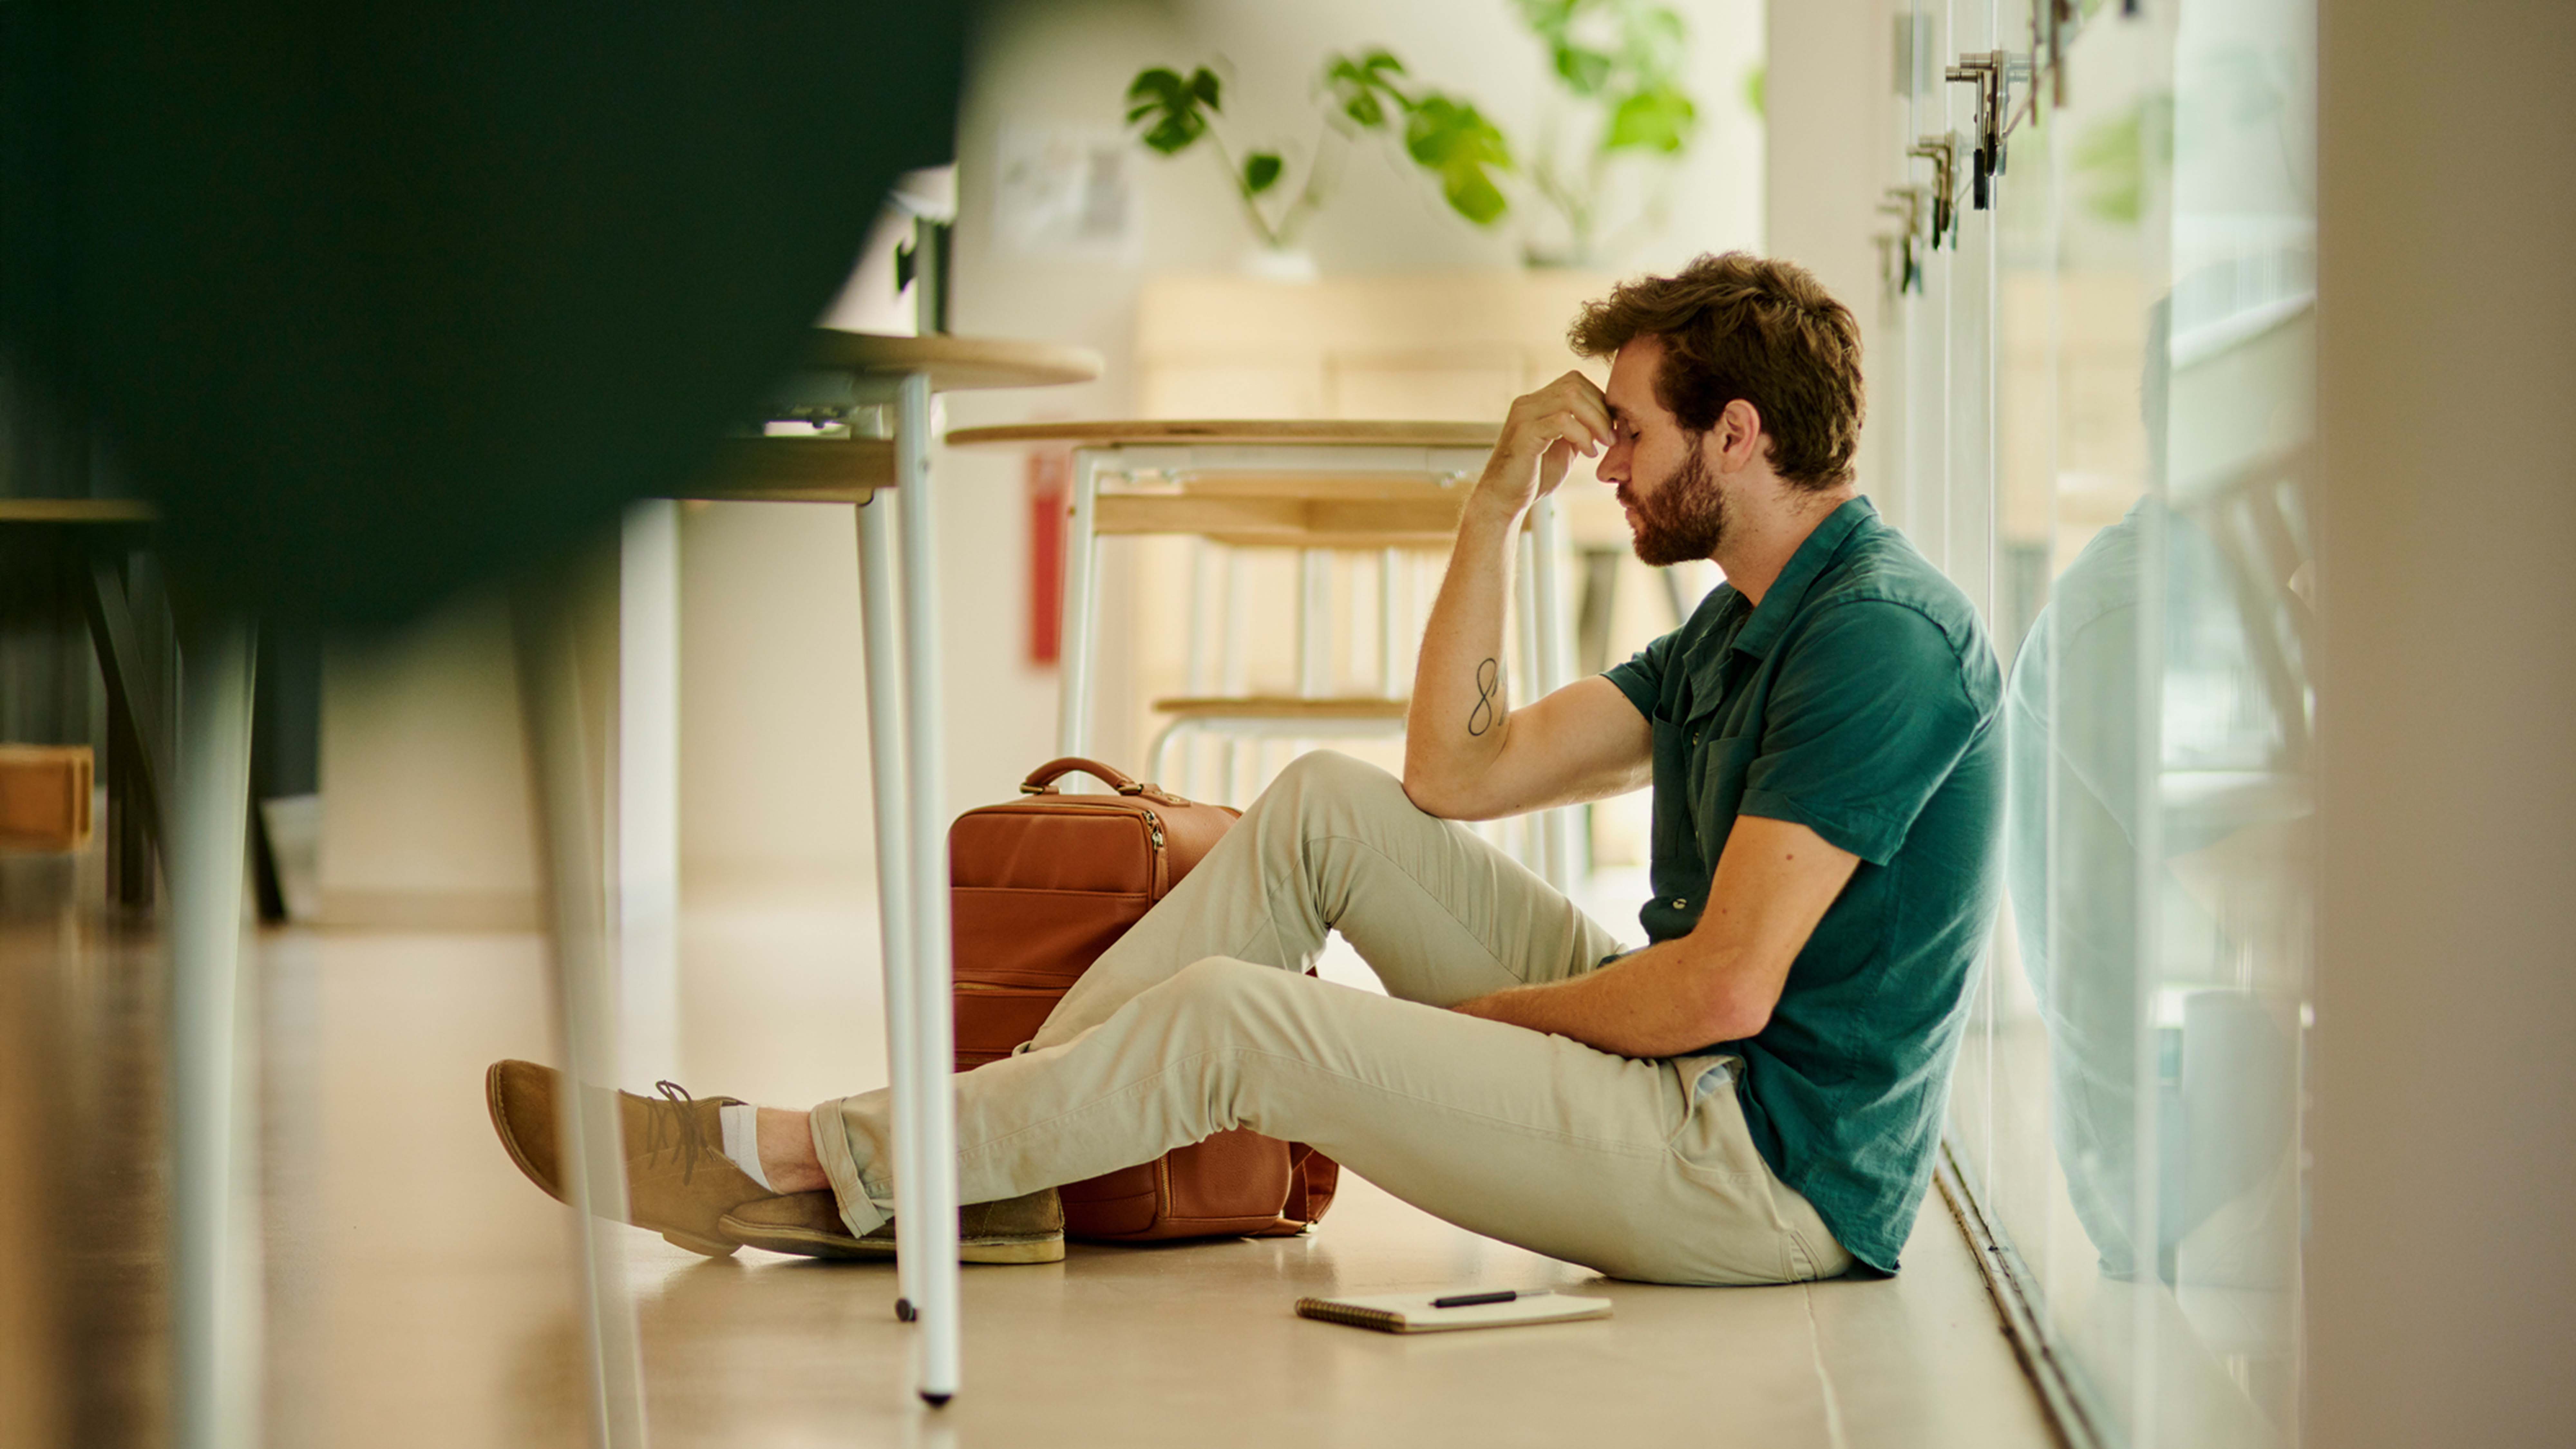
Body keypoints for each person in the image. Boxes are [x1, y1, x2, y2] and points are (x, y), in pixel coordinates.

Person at [487, 251, 2004, 1285]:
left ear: (1734, 435)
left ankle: (800, 1156)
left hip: (1761, 1163)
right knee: (1325, 808)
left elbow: (1718, 996)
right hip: (1686, 1072)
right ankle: (977, 1167)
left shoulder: (1876, 639)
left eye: (1626, 434)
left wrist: (1483, 1029)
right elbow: (1454, 774)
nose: (1603, 463)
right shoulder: (1737, 626)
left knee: (1244, 1023)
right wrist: (1492, 508)